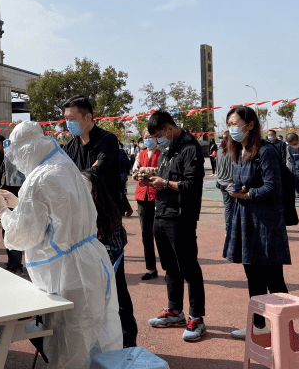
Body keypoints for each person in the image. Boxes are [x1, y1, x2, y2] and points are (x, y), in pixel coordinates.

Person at [0, 122, 122, 369]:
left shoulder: (38, 179)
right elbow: (55, 212)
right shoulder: (63, 163)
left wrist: (2, 211)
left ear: (23, 150)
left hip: (69, 275)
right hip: (90, 262)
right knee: (99, 336)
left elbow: (26, 235)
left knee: (70, 344)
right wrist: (18, 204)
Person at [62, 95, 136, 346]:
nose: (68, 124)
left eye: (72, 119)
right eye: (66, 119)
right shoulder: (71, 146)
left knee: (115, 284)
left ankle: (128, 339)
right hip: (82, 228)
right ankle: (98, 342)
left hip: (107, 224)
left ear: (88, 118)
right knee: (87, 289)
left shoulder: (108, 141)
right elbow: (61, 172)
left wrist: (75, 179)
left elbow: (94, 172)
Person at [223, 107, 291, 339]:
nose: (232, 128)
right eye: (229, 124)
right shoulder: (239, 152)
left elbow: (273, 188)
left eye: (235, 123)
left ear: (250, 125)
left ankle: (285, 327)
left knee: (273, 279)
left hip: (265, 224)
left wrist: (248, 194)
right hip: (245, 221)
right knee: (253, 277)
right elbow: (245, 183)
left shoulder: (266, 151)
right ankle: (259, 325)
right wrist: (237, 188)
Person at [144, 111, 207, 342]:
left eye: (160, 136)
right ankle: (174, 311)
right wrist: (150, 177)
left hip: (181, 216)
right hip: (161, 214)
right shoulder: (168, 150)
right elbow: (164, 177)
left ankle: (196, 318)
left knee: (189, 268)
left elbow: (191, 184)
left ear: (170, 128)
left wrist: (166, 183)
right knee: (170, 267)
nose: (158, 142)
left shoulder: (191, 148)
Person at [82, 169, 136, 348]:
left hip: (109, 261)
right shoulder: (81, 206)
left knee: (118, 297)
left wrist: (95, 248)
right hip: (95, 264)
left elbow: (115, 243)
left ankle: (128, 341)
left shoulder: (105, 208)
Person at [0, 133, 26, 274]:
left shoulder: (9, 159)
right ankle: (13, 262)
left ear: (0, 144)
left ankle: (16, 264)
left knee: (11, 230)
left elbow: (6, 182)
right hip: (13, 199)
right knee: (10, 231)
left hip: (11, 201)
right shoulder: (7, 158)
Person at [131, 131, 160, 280]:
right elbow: (134, 171)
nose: (147, 139)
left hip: (158, 196)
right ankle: (151, 269)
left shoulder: (163, 153)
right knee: (146, 234)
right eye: (145, 137)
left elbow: (162, 171)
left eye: (150, 137)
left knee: (161, 234)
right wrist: (139, 174)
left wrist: (146, 170)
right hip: (142, 196)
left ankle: (170, 269)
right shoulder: (141, 153)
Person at [214, 131, 234, 231]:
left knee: (228, 207)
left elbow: (217, 166)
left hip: (221, 181)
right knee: (230, 207)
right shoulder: (233, 151)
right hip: (230, 183)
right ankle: (229, 229)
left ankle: (229, 228)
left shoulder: (219, 151)